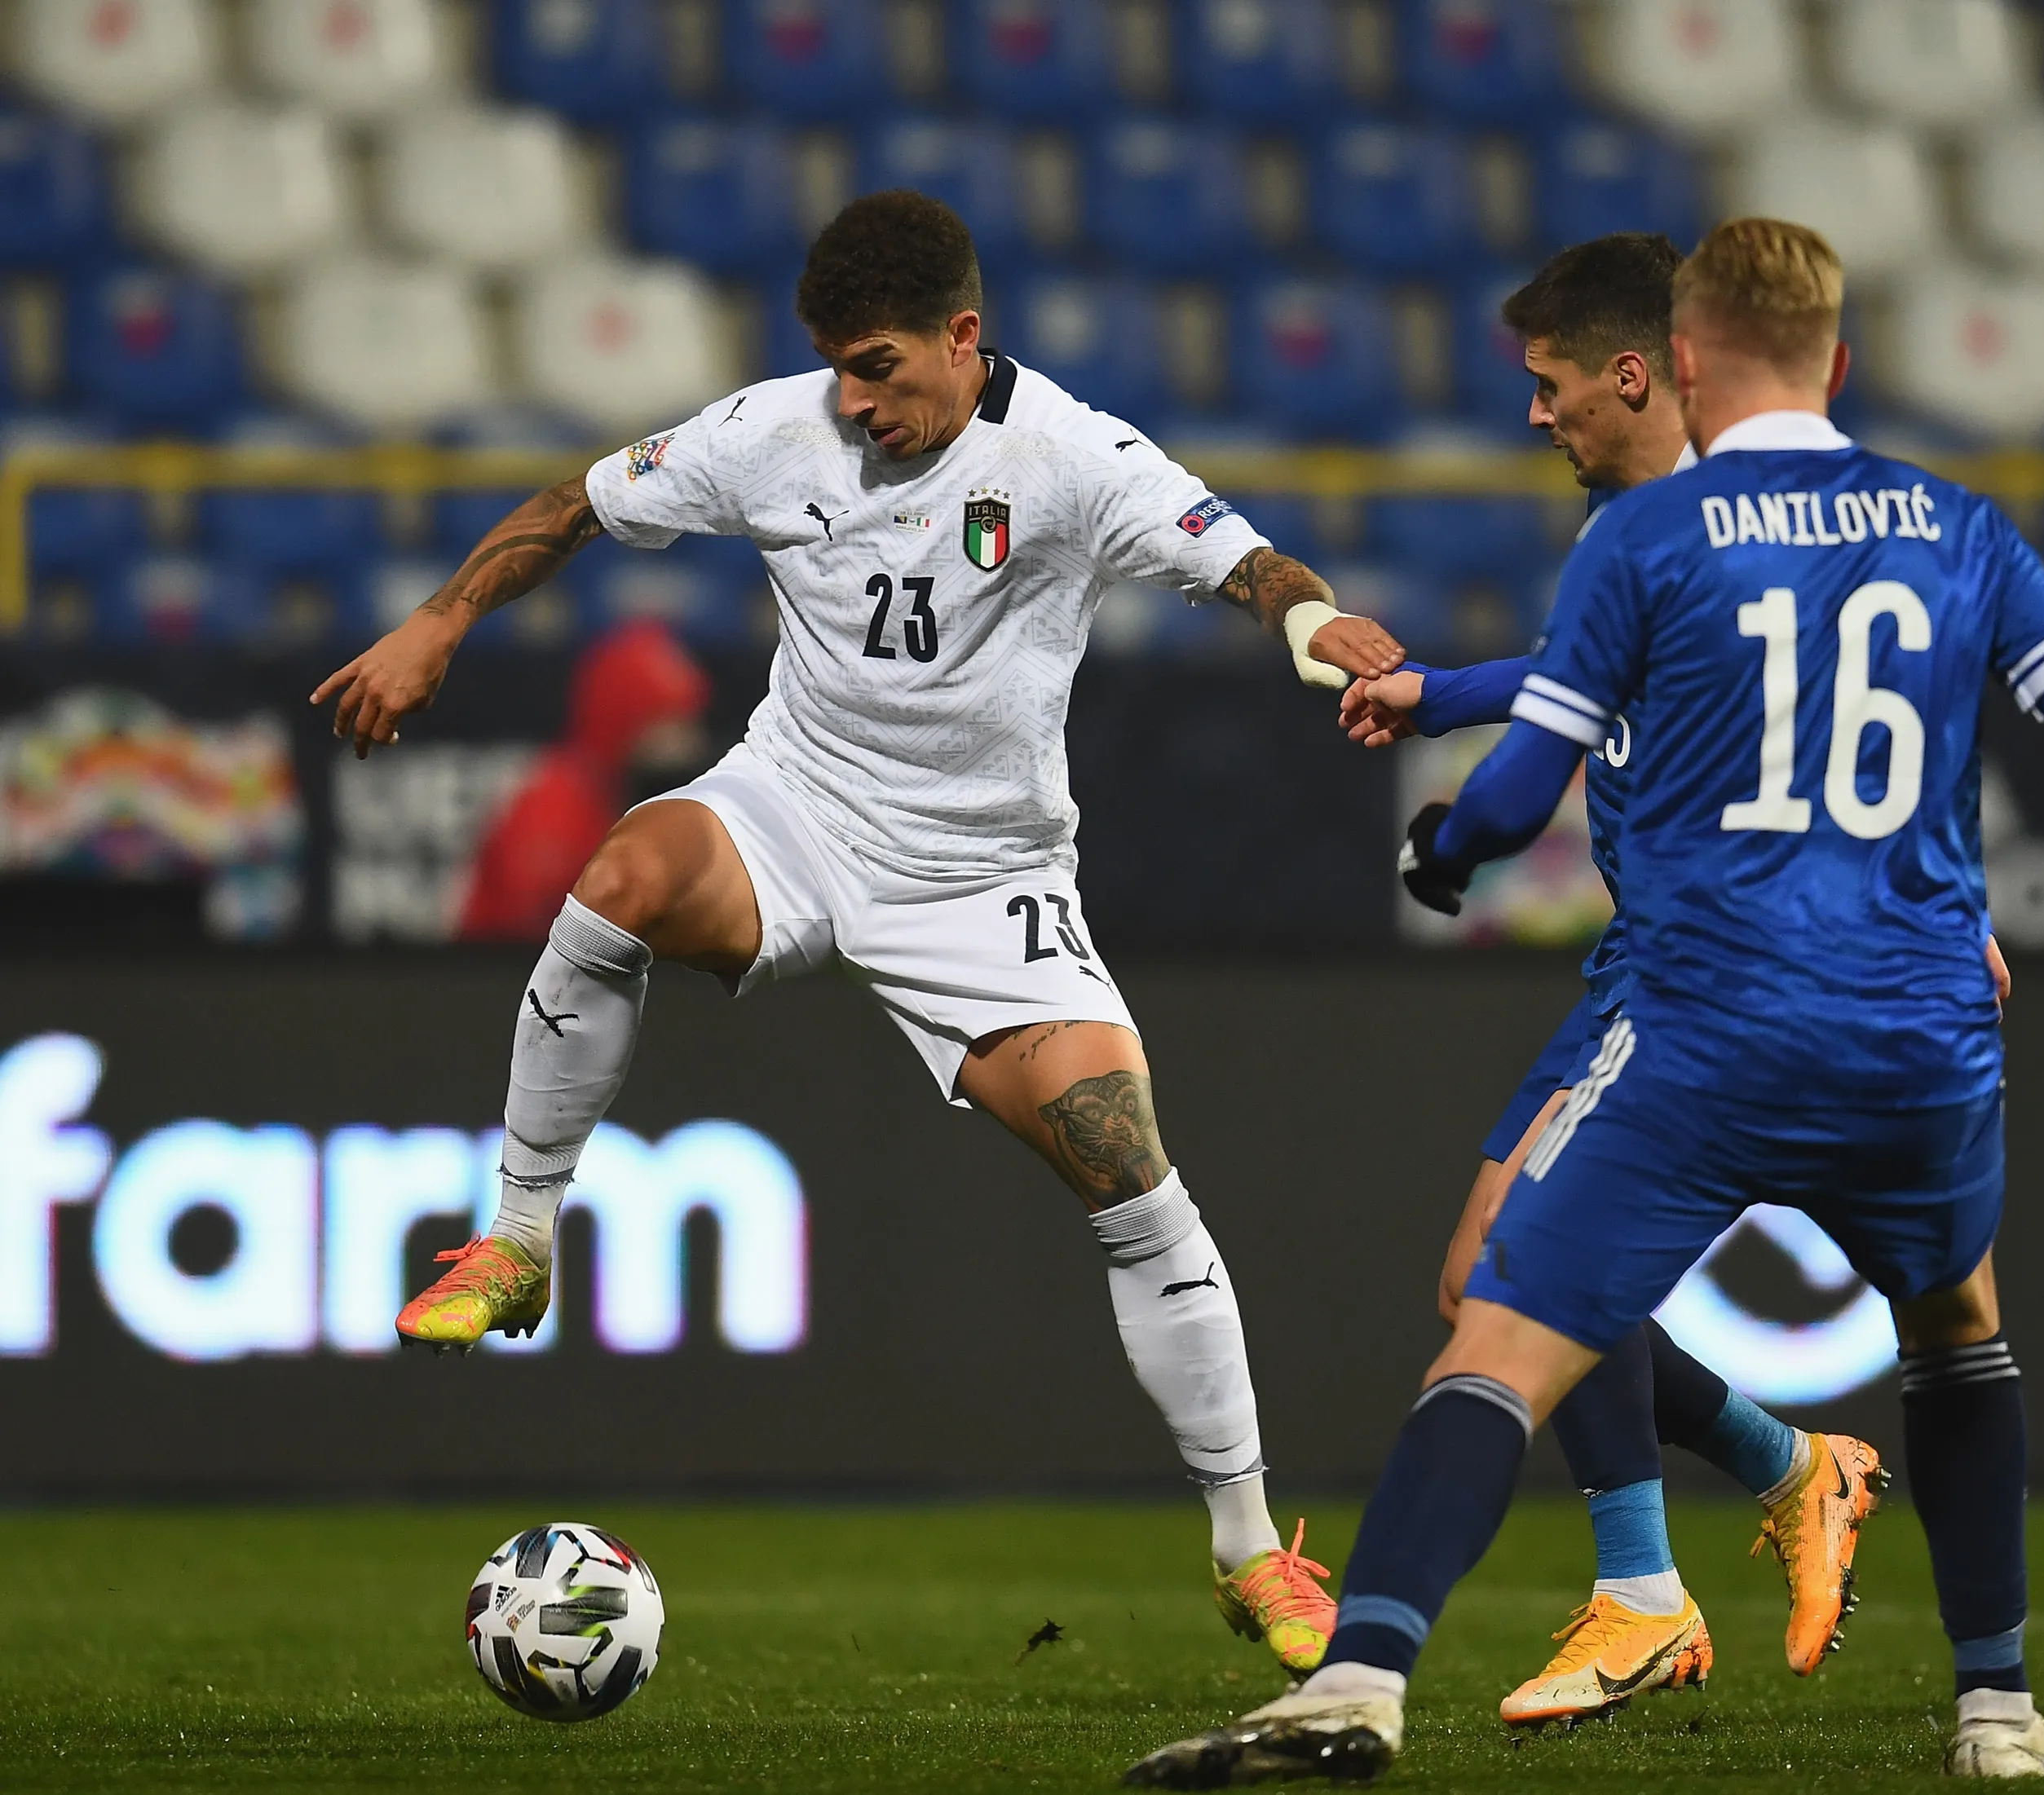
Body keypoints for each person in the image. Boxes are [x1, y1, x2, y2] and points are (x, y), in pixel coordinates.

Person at [1126, 217, 2044, 1786]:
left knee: (1496, 1309)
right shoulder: (1959, 525)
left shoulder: (1658, 536)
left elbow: (1545, 755)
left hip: (1698, 998)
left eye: (1555, 384)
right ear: (1838, 358)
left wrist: (1449, 842)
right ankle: (1995, 1705)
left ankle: (1430, 1658)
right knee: (1957, 1331)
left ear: (1674, 364)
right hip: (1909, 1014)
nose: (1538, 412)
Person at [311, 190, 1407, 1675]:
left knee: (1130, 1173)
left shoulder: (1076, 458)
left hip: (983, 877)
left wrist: (1310, 626)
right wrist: (439, 619)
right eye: (835, 364)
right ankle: (517, 1237)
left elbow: (1249, 563)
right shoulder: (779, 429)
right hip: (798, 804)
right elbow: (575, 501)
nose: (853, 397)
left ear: (966, 339)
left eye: (880, 365)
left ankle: (1247, 1547)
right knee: (625, 874)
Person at [1337, 234, 1896, 1727]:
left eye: (1550, 384)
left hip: (1711, 968)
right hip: (1636, 959)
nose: (1535, 416)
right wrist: (1435, 692)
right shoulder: (1656, 532)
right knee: (1479, 1283)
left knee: (1525, 1271)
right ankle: (1792, 1467)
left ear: (1633, 374)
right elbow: (1579, 680)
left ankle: (1644, 1597)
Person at [457, 620, 712, 942]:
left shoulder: (651, 806)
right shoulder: (551, 810)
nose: (688, 742)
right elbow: (529, 943)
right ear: (624, 719)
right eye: (670, 721)